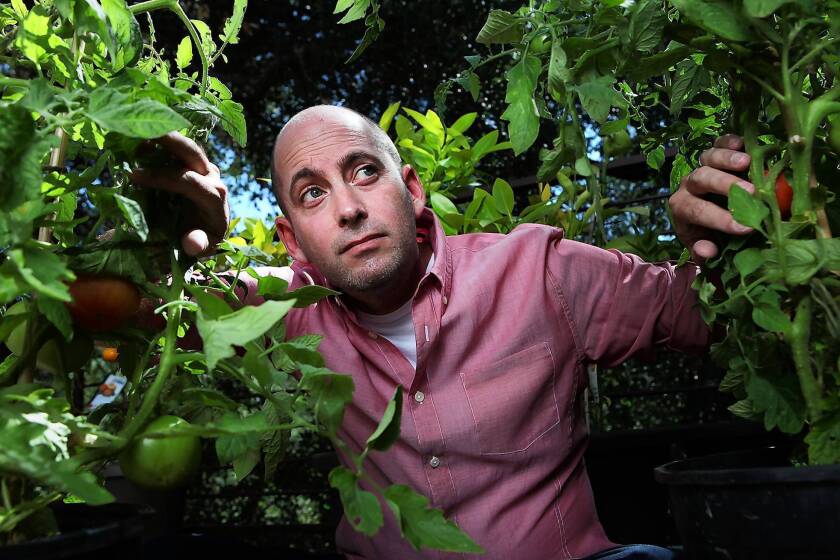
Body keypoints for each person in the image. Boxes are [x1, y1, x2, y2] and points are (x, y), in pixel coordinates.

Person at [132, 106, 756, 559]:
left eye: (365, 173)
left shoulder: (538, 270)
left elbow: (706, 314)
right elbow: (139, 316)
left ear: (411, 189)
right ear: (292, 240)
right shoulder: (281, 308)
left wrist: (726, 238)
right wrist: (164, 240)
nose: (348, 208)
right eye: (313, 193)